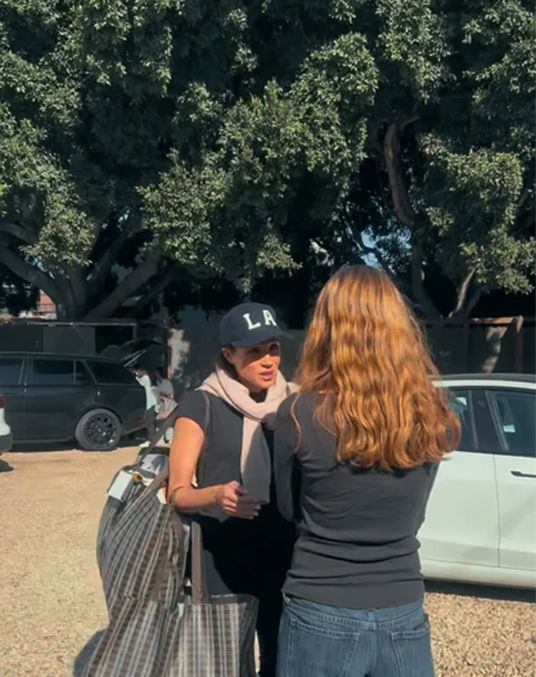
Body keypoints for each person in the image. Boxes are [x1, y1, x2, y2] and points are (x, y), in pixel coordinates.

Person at [273, 266, 460, 677]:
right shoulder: (430, 414)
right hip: (402, 605)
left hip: (319, 602)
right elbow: (416, 515)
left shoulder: (298, 413)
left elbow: (288, 508)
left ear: (326, 329)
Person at [168, 302, 297, 677]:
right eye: (254, 352)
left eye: (272, 348)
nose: (267, 360)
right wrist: (214, 494)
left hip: (282, 552)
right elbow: (176, 492)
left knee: (281, 657)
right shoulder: (200, 403)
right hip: (222, 556)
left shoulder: (293, 403)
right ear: (228, 354)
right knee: (227, 663)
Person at [135, 367, 158, 441]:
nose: (137, 373)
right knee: (147, 421)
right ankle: (150, 438)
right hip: (149, 403)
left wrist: (135, 377)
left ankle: (152, 439)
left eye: (138, 371)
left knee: (149, 422)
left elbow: (140, 383)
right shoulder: (145, 378)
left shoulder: (145, 378)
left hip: (150, 403)